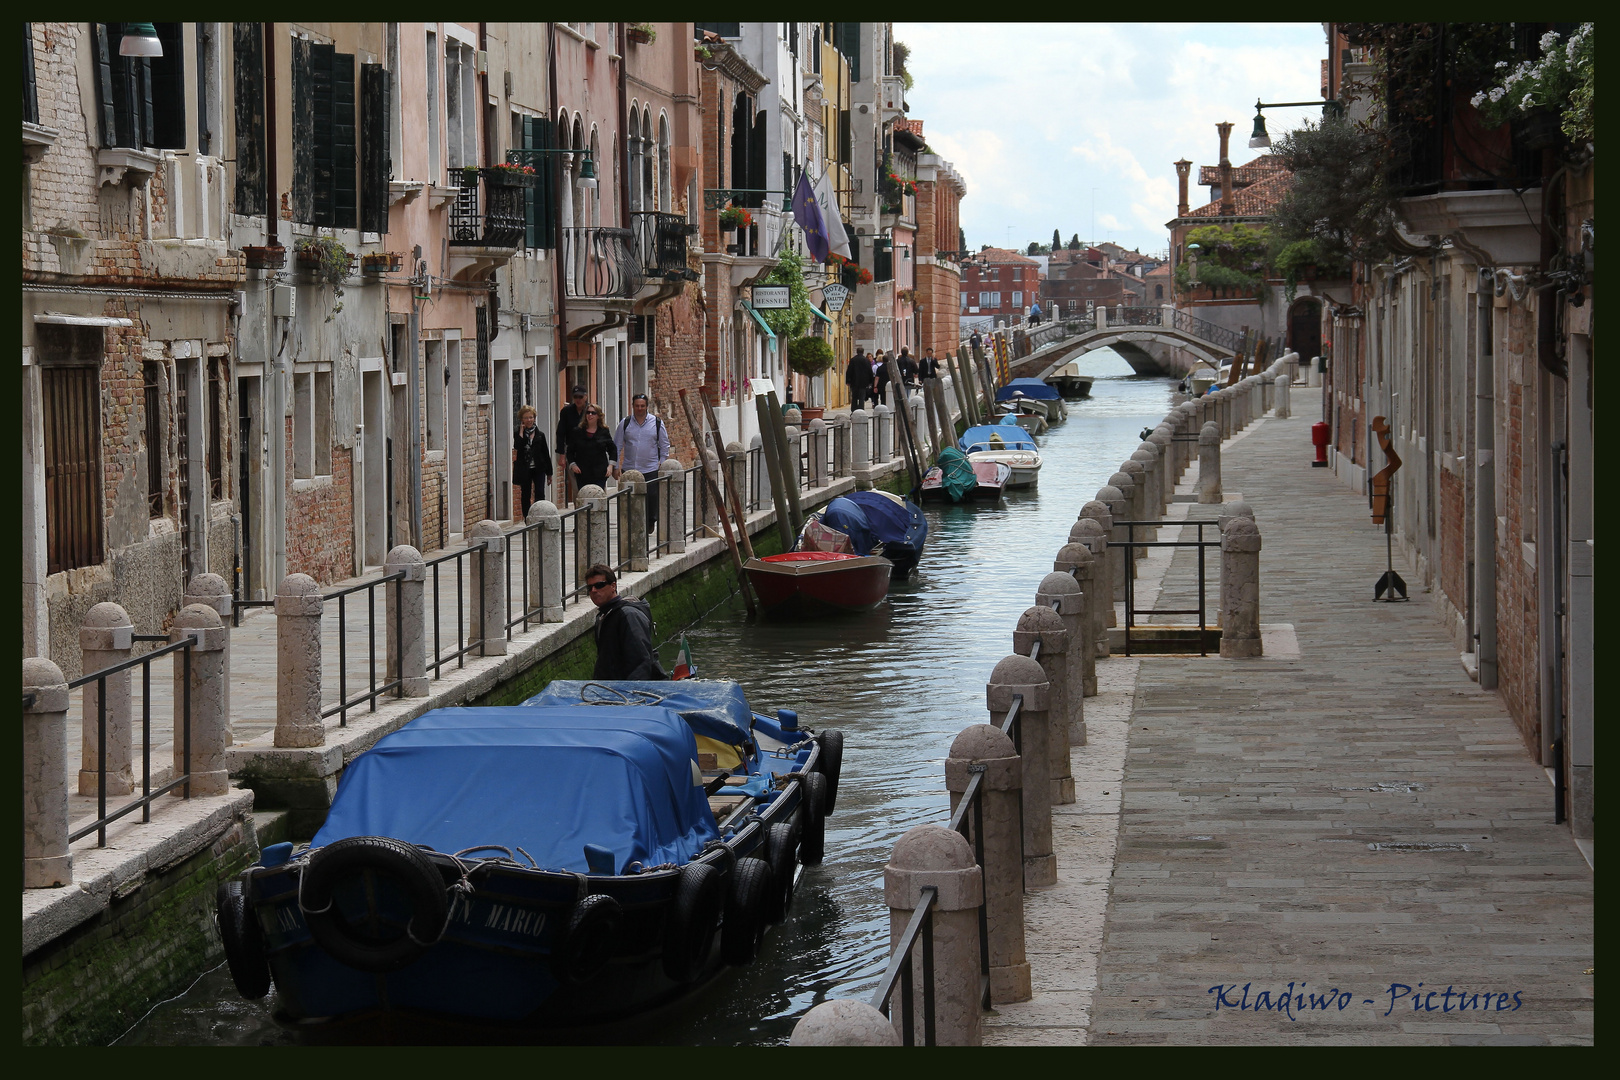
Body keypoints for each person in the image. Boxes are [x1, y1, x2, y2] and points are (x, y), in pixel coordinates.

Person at [585, 563, 666, 680]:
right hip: (612, 689)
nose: (593, 590)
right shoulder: (604, 616)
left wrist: (631, 693)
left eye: (599, 585)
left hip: (627, 691)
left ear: (613, 586)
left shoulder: (629, 615)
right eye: (590, 588)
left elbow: (641, 662)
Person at [614, 393, 671, 536]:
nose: (640, 409)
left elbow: (664, 446)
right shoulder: (625, 423)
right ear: (633, 406)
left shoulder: (656, 423)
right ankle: (632, 524)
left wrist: (662, 465)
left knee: (651, 498)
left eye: (642, 406)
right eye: (637, 406)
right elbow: (617, 445)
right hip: (630, 469)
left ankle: (650, 521)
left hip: (650, 468)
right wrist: (615, 466)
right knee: (629, 499)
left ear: (646, 407)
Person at [565, 401, 618, 493]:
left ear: (598, 416)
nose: (590, 415)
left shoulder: (604, 431)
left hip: (600, 472)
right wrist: (573, 465)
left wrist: (610, 466)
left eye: (593, 413)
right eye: (588, 412)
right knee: (584, 497)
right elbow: (570, 451)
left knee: (597, 496)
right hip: (582, 472)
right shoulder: (577, 431)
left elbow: (612, 449)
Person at [513, 405, 551, 516]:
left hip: (539, 468)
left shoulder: (540, 435)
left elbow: (545, 453)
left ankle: (539, 515)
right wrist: (521, 431)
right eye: (526, 418)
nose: (529, 420)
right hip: (525, 469)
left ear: (534, 418)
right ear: (522, 419)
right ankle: (527, 517)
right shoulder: (518, 434)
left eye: (531, 417)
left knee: (539, 492)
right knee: (526, 494)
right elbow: (517, 446)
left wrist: (549, 473)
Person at [555, 385, 588, 502]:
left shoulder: (591, 411)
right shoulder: (566, 412)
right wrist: (561, 455)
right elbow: (560, 433)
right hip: (572, 452)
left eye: (580, 397)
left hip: (589, 452)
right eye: (575, 397)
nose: (578, 399)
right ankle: (579, 512)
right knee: (576, 486)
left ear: (585, 397)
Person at [844, 347, 873, 411]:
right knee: (861, 398)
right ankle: (861, 410)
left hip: (854, 382)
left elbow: (849, 371)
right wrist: (870, 381)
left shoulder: (853, 360)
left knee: (854, 397)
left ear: (857, 352)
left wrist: (848, 381)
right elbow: (870, 371)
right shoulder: (866, 361)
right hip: (864, 382)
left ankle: (853, 410)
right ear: (863, 352)